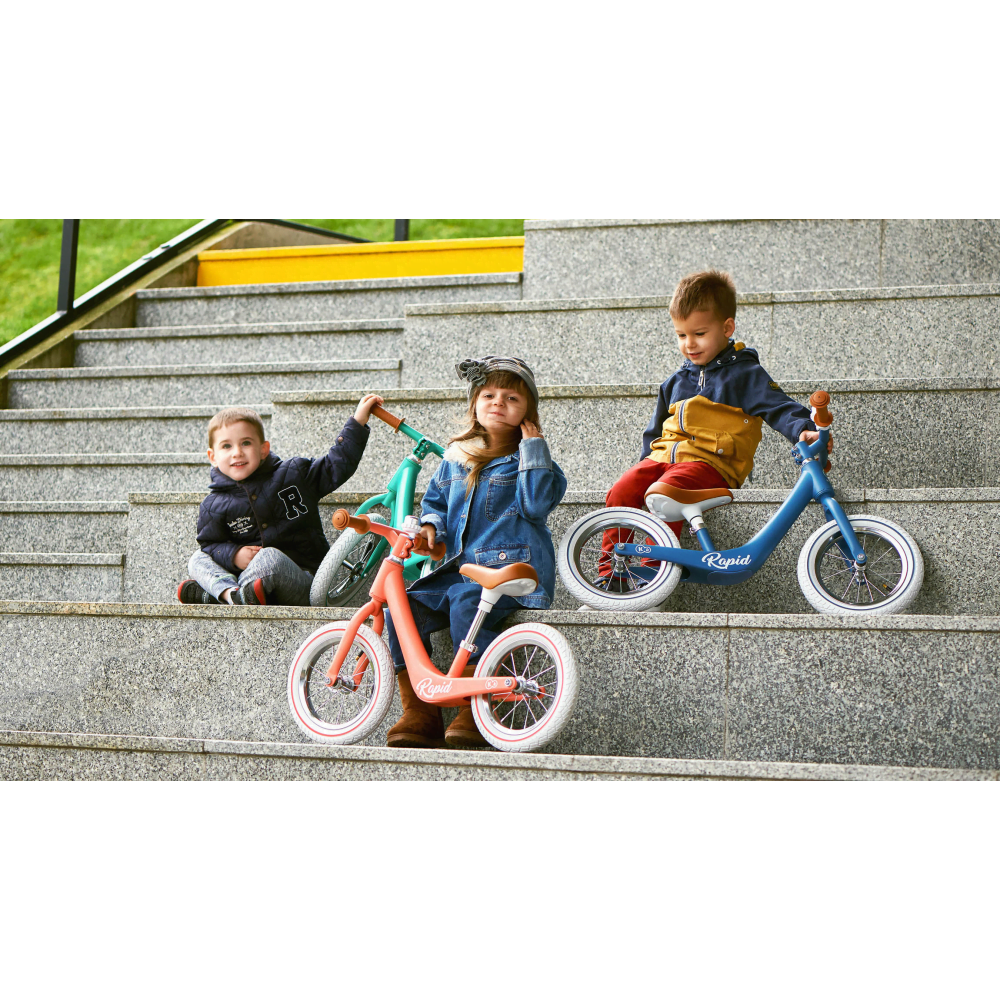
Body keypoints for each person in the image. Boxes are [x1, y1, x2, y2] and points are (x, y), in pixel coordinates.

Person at [383, 356, 567, 750]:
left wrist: (534, 447)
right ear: (474, 405)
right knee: (400, 607)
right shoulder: (455, 459)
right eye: (488, 395)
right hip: (458, 572)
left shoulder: (535, 464)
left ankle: (476, 702)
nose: (498, 402)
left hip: (510, 573)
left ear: (528, 414)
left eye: (511, 398)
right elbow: (435, 504)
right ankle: (420, 709)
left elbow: (536, 505)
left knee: (467, 599)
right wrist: (430, 529)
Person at [604, 269, 831, 547]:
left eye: (699, 333)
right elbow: (654, 432)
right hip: (664, 460)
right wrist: (643, 470)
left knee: (667, 492)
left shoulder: (745, 375)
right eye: (681, 335)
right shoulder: (675, 382)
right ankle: (611, 566)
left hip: (711, 465)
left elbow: (780, 407)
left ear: (727, 328)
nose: (689, 344)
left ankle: (657, 565)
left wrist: (804, 430)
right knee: (621, 490)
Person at [177, 394, 384, 606]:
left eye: (246, 443)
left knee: (269, 558)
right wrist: (234, 555)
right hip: (245, 579)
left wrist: (357, 423)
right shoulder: (212, 505)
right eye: (226, 446)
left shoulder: (293, 474)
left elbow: (335, 467)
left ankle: (216, 595)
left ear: (263, 449)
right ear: (213, 457)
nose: (237, 452)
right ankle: (231, 594)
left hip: (301, 580)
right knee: (197, 559)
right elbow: (211, 544)